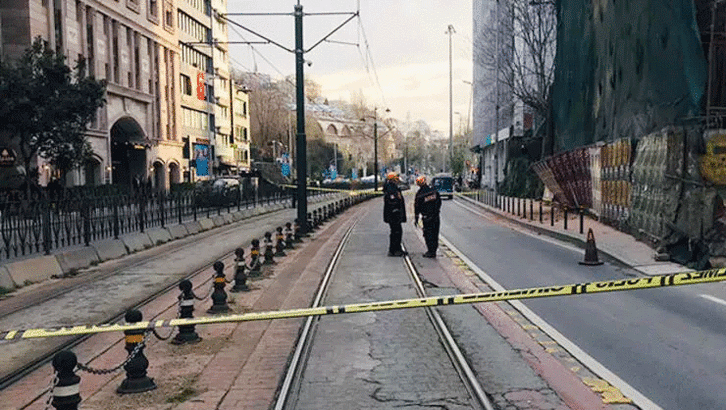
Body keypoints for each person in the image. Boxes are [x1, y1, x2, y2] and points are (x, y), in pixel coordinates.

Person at [414, 175, 442, 258]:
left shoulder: (420, 194)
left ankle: (430, 251)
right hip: (435, 217)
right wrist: (436, 211)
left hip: (427, 217)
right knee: (435, 233)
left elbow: (417, 207)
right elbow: (439, 202)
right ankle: (433, 251)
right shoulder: (433, 191)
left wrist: (416, 218)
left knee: (428, 234)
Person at [383, 172, 407, 256]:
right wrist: (396, 210)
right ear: (393, 179)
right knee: (396, 232)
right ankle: (394, 250)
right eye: (396, 179)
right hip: (393, 215)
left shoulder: (394, 188)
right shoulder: (391, 189)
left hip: (395, 215)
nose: (397, 181)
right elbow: (392, 201)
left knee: (397, 231)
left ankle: (397, 248)